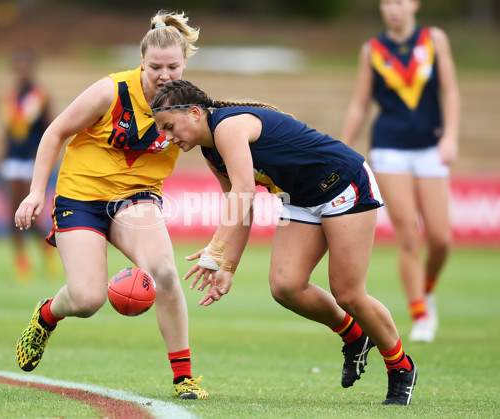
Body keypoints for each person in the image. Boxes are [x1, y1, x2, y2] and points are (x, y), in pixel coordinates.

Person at [150, 79, 418, 405]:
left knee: (348, 293)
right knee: (285, 286)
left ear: (193, 113)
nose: (167, 136)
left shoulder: (228, 127)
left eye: (169, 126)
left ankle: (401, 367)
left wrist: (215, 250)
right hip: (302, 199)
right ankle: (355, 336)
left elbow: (244, 190)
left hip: (344, 183)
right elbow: (242, 207)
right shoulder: (212, 152)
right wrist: (227, 267)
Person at [13, 11, 208, 399]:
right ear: (142, 63)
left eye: (173, 66)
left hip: (136, 197)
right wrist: (36, 192)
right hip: (81, 195)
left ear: (185, 64)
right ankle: (48, 313)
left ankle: (184, 377)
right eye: (155, 67)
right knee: (86, 300)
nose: (165, 75)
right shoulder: (111, 91)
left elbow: (221, 147)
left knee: (165, 272)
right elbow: (55, 132)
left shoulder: (192, 105)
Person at [341, 0, 460, 343]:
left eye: (400, 1)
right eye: (387, 2)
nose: (393, 8)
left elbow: (449, 91)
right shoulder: (372, 50)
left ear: (414, 5)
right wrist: (342, 149)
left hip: (430, 149)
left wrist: (450, 137)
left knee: (441, 239)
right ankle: (420, 313)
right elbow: (360, 105)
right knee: (408, 234)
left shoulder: (434, 39)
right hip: (389, 150)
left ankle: (427, 288)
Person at [0, 47, 57, 280]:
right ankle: (22, 261)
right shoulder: (11, 97)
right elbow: (8, 131)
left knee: (27, 215)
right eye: (18, 67)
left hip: (31, 160)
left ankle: (45, 252)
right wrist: (0, 157)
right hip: (12, 158)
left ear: (31, 69)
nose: (21, 71)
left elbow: (50, 128)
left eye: (25, 67)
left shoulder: (40, 96)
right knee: (11, 215)